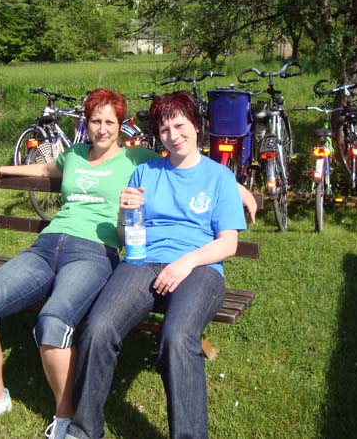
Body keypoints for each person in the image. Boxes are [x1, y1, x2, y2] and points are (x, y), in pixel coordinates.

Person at [0, 88, 159, 438]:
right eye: (95, 121)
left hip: (94, 253)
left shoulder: (136, 159)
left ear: (121, 125)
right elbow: (44, 168)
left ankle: (64, 416)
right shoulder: (73, 154)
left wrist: (234, 186)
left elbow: (183, 165)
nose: (102, 129)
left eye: (110, 122)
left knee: (53, 323)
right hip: (46, 246)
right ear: (86, 123)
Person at [65, 91, 248, 439]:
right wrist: (124, 215)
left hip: (199, 267)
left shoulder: (219, 177)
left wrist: (185, 263)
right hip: (142, 261)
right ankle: (84, 429)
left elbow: (228, 243)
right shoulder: (145, 173)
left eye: (180, 126)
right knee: (98, 328)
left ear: (196, 125)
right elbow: (125, 236)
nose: (173, 136)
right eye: (164, 130)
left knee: (177, 338)